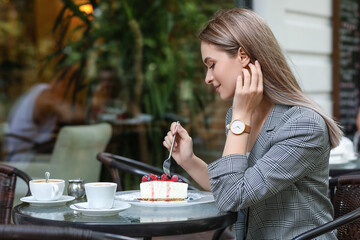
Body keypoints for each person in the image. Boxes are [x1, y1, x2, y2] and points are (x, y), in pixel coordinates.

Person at [163, 8, 343, 240]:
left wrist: (240, 117)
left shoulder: (303, 125)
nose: (207, 78)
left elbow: (231, 196)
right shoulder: (240, 117)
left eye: (211, 65)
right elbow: (235, 185)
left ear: (243, 56)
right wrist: (188, 160)